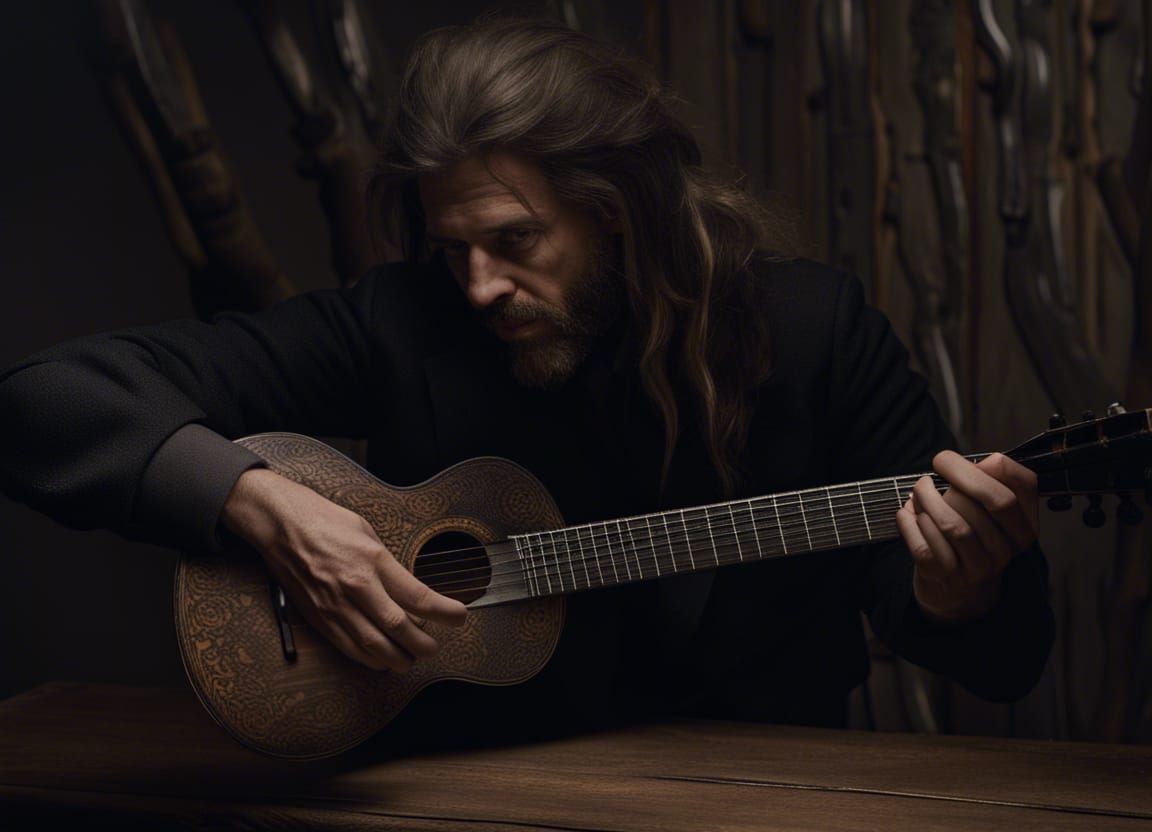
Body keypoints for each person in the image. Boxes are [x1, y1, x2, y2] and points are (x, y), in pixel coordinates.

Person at [0, 18, 1052, 745]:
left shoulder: (816, 334)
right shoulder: (406, 319)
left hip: (771, 789)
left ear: (617, 208)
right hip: (467, 799)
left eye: (514, 240)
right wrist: (249, 499)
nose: (479, 285)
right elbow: (44, 397)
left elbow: (1005, 663)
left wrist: (956, 594)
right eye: (453, 246)